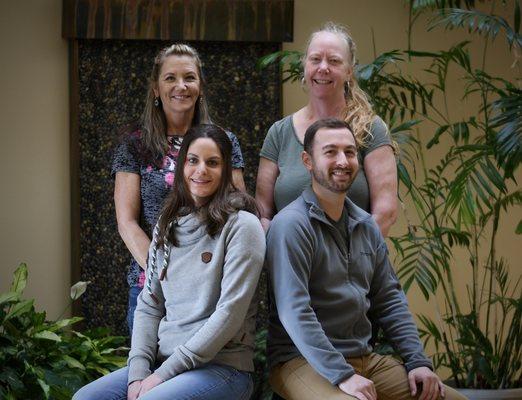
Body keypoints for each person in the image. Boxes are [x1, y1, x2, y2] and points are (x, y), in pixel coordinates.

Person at [266, 119, 467, 400]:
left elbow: (389, 298)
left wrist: (417, 361)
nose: (342, 161)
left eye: (349, 152)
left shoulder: (365, 224)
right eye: (330, 152)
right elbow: (294, 310)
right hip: (300, 360)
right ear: (307, 161)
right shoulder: (291, 225)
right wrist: (342, 374)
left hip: (364, 358)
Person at [74, 124, 265, 400]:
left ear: (225, 171)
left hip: (223, 367)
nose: (201, 170)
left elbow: (229, 314)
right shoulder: (168, 223)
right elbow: (149, 304)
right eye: (193, 160)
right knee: (86, 398)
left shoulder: (243, 226)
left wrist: (160, 377)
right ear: (181, 166)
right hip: (164, 361)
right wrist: (138, 375)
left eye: (213, 163)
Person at [112, 43, 246, 333]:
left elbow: (237, 207)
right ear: (155, 89)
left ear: (200, 86)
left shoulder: (225, 140)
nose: (180, 86)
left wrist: (197, 275)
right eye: (170, 78)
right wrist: (164, 271)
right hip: (150, 287)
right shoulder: (134, 146)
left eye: (189, 77)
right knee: (145, 375)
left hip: (210, 288)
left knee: (198, 375)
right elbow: (127, 222)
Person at [256, 22, 397, 236]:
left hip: (353, 264)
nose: (323, 67)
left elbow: (385, 214)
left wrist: (342, 259)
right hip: (292, 263)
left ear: (349, 71)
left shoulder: (371, 128)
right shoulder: (279, 132)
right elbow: (262, 214)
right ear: (305, 66)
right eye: (315, 59)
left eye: (334, 61)